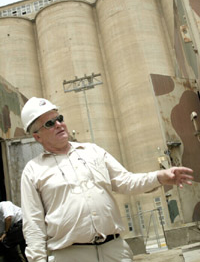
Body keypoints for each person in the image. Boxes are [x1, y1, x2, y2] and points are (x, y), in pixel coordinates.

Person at [20, 97, 194, 262]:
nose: (59, 125)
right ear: (37, 136)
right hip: (70, 255)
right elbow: (33, 225)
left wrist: (159, 177)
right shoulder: (34, 171)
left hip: (115, 251)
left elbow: (126, 182)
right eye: (50, 123)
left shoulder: (93, 151)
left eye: (59, 118)